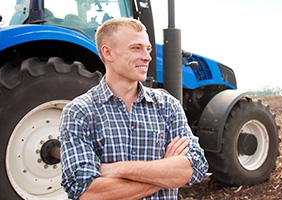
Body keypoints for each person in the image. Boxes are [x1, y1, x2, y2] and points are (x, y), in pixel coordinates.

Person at [59, 17, 209, 200]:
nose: (147, 57)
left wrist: (120, 168)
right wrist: (165, 172)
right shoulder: (80, 112)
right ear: (108, 53)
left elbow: (196, 167)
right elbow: (87, 191)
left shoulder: (167, 106)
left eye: (148, 49)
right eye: (136, 48)